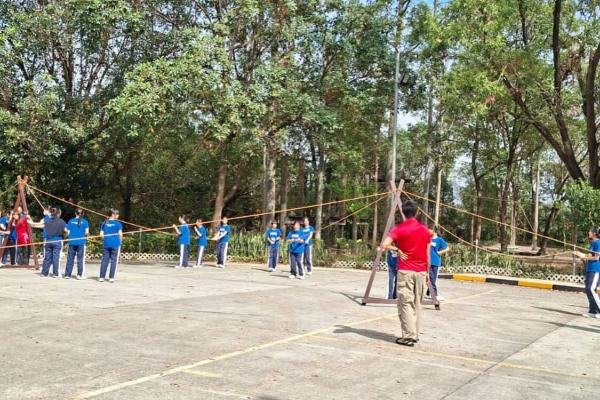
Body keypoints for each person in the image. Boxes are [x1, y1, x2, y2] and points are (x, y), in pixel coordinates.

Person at [381, 200, 432, 347]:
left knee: (406, 304)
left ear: (403, 212)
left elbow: (385, 244)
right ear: (417, 212)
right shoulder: (425, 230)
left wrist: (397, 249)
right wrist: (427, 273)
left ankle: (409, 336)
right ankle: (415, 334)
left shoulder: (399, 229)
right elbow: (428, 255)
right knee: (417, 303)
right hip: (421, 271)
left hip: (405, 271)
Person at [574, 227, 600, 318]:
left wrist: (584, 256)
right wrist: (579, 254)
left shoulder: (598, 243)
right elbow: (588, 256)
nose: (588, 232)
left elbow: (596, 257)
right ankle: (593, 311)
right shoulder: (592, 244)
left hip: (595, 269)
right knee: (588, 289)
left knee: (591, 289)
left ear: (594, 233)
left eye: (590, 231)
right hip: (590, 269)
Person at [40, 207, 66, 278]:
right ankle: (55, 274)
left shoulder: (47, 221)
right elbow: (66, 230)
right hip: (57, 241)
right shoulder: (61, 221)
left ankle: (44, 273)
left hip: (48, 241)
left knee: (47, 257)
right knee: (55, 257)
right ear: (58, 213)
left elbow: (41, 225)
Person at [99, 208, 123, 282]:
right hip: (115, 244)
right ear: (113, 214)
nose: (118, 215)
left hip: (106, 243)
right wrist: (120, 242)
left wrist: (106, 238)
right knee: (113, 261)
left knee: (104, 260)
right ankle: (111, 278)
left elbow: (101, 235)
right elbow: (120, 234)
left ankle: (101, 277)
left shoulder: (104, 223)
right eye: (117, 214)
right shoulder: (118, 223)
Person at [64, 209, 89, 279]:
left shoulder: (71, 221)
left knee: (70, 259)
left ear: (75, 213)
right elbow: (87, 232)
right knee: (80, 259)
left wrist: (70, 233)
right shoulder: (85, 222)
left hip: (72, 242)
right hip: (81, 242)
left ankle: (67, 275)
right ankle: (79, 275)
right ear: (83, 214)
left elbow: (66, 230)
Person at [427, 228, 449, 301]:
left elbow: (447, 248)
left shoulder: (439, 240)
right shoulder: (427, 239)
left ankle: (429, 291)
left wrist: (440, 252)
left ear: (434, 231)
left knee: (433, 279)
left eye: (429, 230)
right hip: (428, 261)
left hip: (436, 261)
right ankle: (434, 295)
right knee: (431, 278)